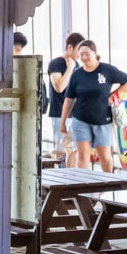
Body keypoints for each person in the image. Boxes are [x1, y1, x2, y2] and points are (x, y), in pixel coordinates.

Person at [60, 39, 127, 173]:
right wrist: (63, 121)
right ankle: (84, 186)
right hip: (80, 119)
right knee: (82, 155)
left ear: (95, 53)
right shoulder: (77, 74)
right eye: (81, 54)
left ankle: (109, 183)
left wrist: (116, 93)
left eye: (87, 54)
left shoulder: (106, 70)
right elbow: (69, 99)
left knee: (104, 156)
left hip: (102, 120)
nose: (84, 57)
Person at [47, 32, 85, 167]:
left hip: (74, 114)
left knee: (73, 149)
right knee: (61, 149)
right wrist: (69, 68)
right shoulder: (56, 64)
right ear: (69, 48)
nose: (80, 54)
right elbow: (59, 87)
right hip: (59, 113)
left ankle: (70, 179)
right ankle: (59, 178)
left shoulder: (78, 66)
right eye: (78, 50)